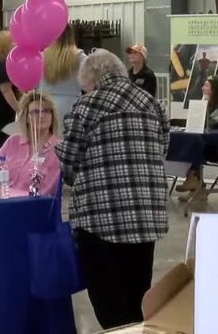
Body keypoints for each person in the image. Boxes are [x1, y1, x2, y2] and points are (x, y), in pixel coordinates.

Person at [56, 49, 169, 330]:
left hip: (100, 219)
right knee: (137, 296)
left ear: (92, 80)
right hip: (146, 216)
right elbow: (163, 148)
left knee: (109, 302)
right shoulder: (152, 104)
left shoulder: (86, 107)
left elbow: (69, 163)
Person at [0, 91, 61, 196]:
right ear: (26, 118)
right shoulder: (13, 141)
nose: (42, 115)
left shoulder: (59, 149)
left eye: (46, 111)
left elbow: (46, 191)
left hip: (32, 206)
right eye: (35, 112)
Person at [39, 24, 87, 124]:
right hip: (70, 106)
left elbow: (33, 84)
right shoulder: (79, 56)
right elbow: (88, 83)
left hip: (43, 105)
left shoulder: (41, 56)